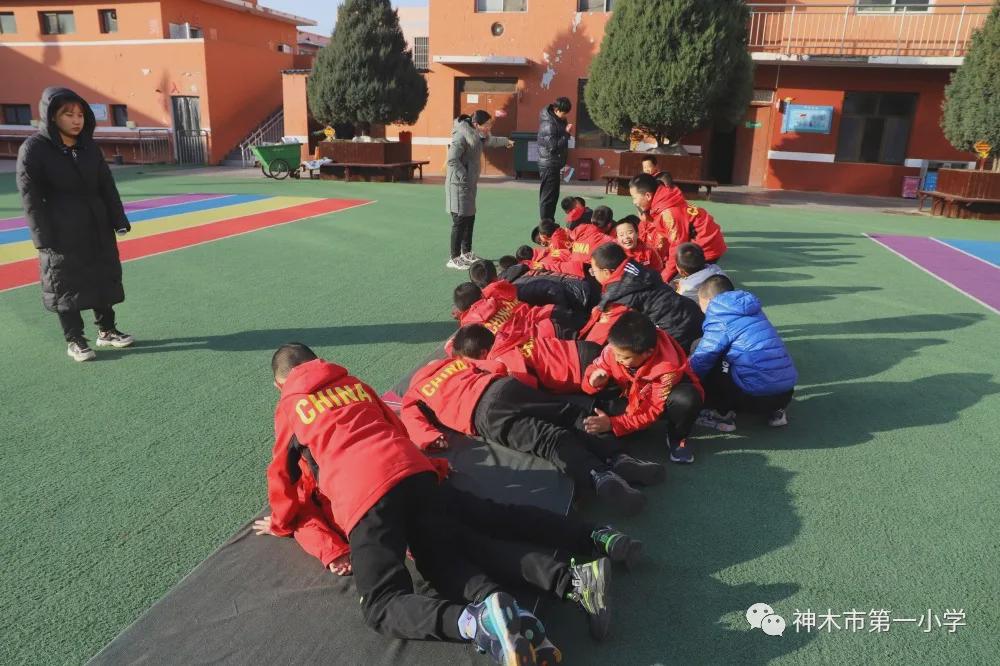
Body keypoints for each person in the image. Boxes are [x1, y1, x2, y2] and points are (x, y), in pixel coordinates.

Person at [266, 343, 542, 663]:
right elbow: (396, 427)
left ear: (279, 385)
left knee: (381, 605)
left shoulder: (291, 406)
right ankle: (515, 616)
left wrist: (279, 522)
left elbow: (281, 475)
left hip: (365, 494)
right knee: (440, 562)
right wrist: (428, 467)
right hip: (413, 473)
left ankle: (475, 623)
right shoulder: (353, 383)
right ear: (318, 362)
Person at [401, 328, 667, 516]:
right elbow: (494, 367)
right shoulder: (455, 364)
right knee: (570, 414)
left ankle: (600, 477)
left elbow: (411, 421)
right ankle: (620, 458)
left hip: (482, 416)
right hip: (501, 387)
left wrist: (431, 438)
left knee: (549, 441)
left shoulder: (416, 391)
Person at [16, 87, 134, 362]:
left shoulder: (89, 148)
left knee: (101, 275)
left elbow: (107, 186)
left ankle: (107, 330)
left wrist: (118, 220)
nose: (76, 119)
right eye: (68, 114)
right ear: (52, 117)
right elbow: (30, 196)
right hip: (60, 227)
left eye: (80, 114)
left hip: (96, 224)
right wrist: (41, 236)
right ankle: (75, 339)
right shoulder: (34, 149)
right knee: (65, 283)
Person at [581, 311, 704, 464]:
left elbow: (650, 410)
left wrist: (613, 423)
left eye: (625, 357)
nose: (618, 359)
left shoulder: (667, 369)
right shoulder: (615, 349)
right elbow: (595, 367)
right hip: (633, 393)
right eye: (615, 353)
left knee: (687, 399)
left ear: (648, 353)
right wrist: (593, 381)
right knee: (595, 414)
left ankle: (677, 436)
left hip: (661, 399)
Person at [690, 276, 797, 432]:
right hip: (785, 393)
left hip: (751, 398)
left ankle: (722, 415)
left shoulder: (720, 316)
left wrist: (687, 380)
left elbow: (702, 358)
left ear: (708, 300)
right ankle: (777, 412)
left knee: (702, 350)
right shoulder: (753, 310)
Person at [584, 243, 704, 351]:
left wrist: (582, 350)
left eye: (593, 271)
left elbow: (596, 340)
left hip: (675, 333)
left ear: (607, 272)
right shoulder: (635, 268)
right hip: (692, 314)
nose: (593, 275)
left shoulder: (619, 297)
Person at [445, 110, 513, 270]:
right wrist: (465, 176)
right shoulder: (461, 136)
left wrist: (505, 141)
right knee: (460, 221)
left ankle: (466, 253)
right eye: (487, 125)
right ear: (476, 125)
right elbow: (452, 160)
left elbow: (490, 141)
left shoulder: (478, 134)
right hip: (459, 185)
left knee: (470, 218)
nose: (489, 128)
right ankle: (454, 258)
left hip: (469, 184)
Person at [460, 323, 602, 395]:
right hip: (582, 347)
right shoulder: (505, 336)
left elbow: (530, 390)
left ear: (483, 353)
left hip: (583, 372)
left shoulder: (502, 360)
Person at [537, 97, 573, 221]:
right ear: (556, 109)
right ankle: (546, 224)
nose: (565, 115)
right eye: (563, 112)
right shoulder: (549, 124)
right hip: (548, 164)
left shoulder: (557, 120)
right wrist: (566, 133)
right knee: (548, 197)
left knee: (553, 195)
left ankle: (549, 221)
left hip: (553, 163)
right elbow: (553, 146)